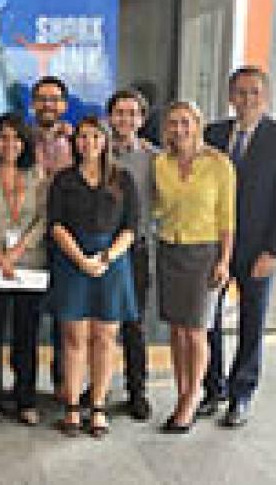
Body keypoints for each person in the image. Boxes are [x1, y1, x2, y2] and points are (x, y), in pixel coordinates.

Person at [202, 66, 276, 427]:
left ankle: (241, 394)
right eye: (240, 93)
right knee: (206, 319)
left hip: (259, 250)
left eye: (254, 93)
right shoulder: (212, 134)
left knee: (251, 322)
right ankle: (213, 388)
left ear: (266, 97)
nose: (246, 100)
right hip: (214, 247)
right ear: (230, 96)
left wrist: (274, 252)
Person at [48, 116, 139, 438]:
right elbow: (56, 225)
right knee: (74, 338)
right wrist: (81, 260)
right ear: (75, 142)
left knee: (104, 338)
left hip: (111, 263)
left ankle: (97, 405)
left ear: (106, 141)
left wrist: (105, 257)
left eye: (95, 136)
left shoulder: (123, 179)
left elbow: (131, 227)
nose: (89, 143)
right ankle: (72, 406)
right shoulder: (63, 180)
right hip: (72, 260)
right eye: (82, 137)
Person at [153, 101, 235, 433]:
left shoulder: (219, 165)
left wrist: (224, 260)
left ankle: (190, 399)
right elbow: (156, 206)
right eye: (173, 123)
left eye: (185, 122)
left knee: (196, 330)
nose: (179, 129)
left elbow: (228, 219)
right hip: (169, 250)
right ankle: (181, 391)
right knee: (176, 329)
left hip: (205, 254)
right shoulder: (160, 163)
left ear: (198, 125)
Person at [0, 113, 48, 425]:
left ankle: (25, 398)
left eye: (16, 138)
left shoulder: (37, 173)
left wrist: (18, 250)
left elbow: (44, 218)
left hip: (28, 265)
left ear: (24, 142)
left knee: (26, 336)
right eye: (3, 137)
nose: (10, 144)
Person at [106, 89, 157, 420]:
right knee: (101, 323)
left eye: (132, 113)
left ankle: (137, 390)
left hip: (136, 249)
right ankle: (97, 387)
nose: (125, 119)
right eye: (119, 112)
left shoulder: (155, 158)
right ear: (110, 116)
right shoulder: (97, 150)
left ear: (141, 119)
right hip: (101, 249)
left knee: (134, 324)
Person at [30, 76, 74, 397]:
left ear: (64, 106)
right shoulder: (19, 139)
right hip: (26, 238)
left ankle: (62, 381)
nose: (48, 104)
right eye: (42, 98)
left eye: (55, 99)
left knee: (65, 313)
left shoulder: (77, 142)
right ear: (33, 104)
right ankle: (25, 385)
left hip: (66, 239)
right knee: (26, 314)